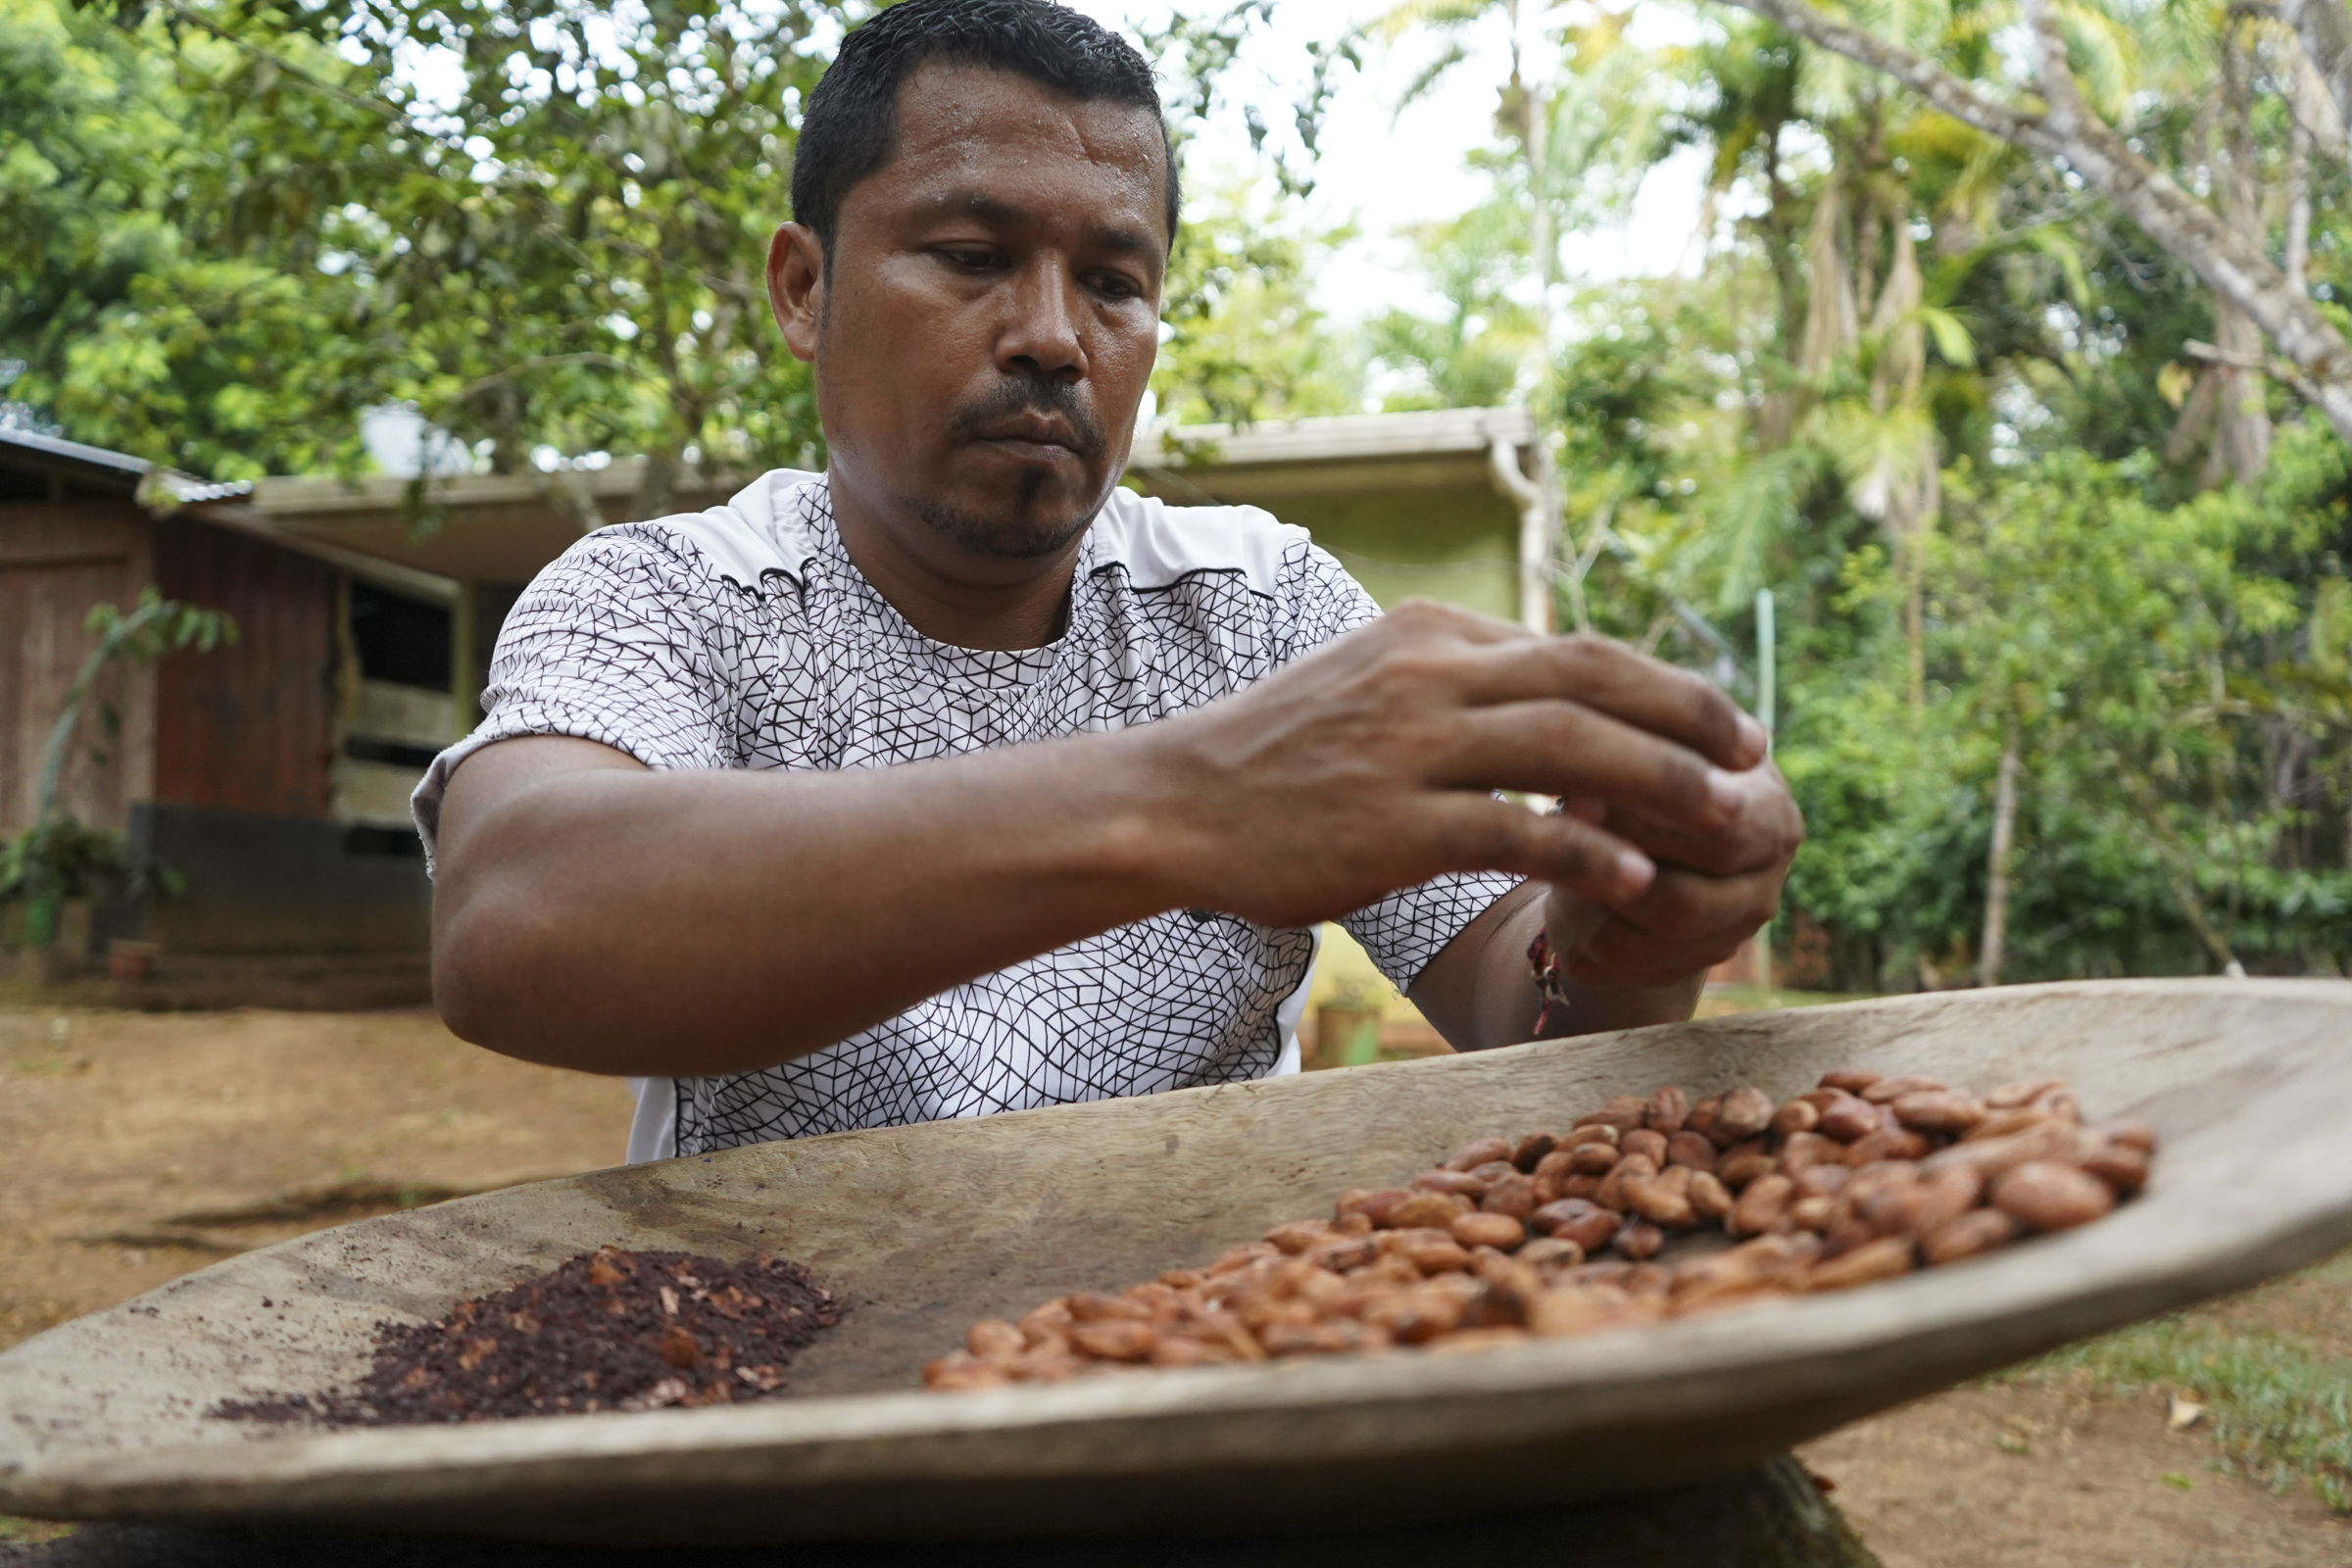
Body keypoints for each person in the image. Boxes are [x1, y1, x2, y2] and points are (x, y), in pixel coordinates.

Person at [416, 0, 1802, 1164]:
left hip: (1213, 1381)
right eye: (969, 258)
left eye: (1114, 283)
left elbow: (1520, 1002)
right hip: (786, 1395)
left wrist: (1626, 934)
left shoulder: (1262, 609)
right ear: (802, 288)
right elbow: (511, 923)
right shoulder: (664, 597)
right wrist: (1193, 807)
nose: (1051, 337)